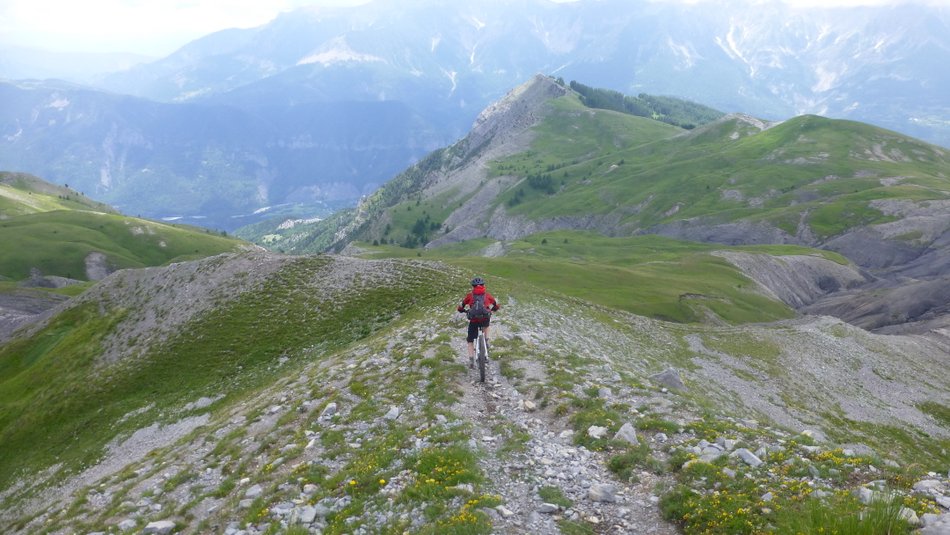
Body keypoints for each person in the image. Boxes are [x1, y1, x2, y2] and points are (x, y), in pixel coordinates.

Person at [457, 276, 500, 368]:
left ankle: (471, 360)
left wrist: (461, 309)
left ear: (473, 286)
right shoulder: (487, 295)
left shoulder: (470, 295)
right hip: (484, 318)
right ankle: (486, 340)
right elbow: (495, 304)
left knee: (470, 340)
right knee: (487, 325)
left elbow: (462, 306)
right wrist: (494, 309)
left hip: (473, 320)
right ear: (483, 285)